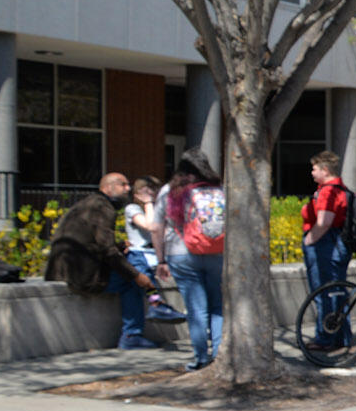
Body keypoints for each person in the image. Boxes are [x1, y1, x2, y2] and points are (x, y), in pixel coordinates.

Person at [46, 172, 158, 349]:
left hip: (62, 270)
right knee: (132, 282)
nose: (128, 189)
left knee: (131, 267)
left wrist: (120, 245)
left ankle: (151, 308)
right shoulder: (104, 208)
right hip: (81, 276)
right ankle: (132, 335)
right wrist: (136, 276)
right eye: (123, 185)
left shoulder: (87, 203)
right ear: (108, 187)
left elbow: (93, 241)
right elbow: (108, 251)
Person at [157, 152, 226, 371]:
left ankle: (200, 359)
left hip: (181, 253)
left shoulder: (170, 191)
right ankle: (218, 354)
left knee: (196, 309)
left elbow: (156, 227)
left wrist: (161, 260)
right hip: (216, 252)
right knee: (217, 306)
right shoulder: (219, 189)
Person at [301, 151, 352, 349]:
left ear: (325, 170)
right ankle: (341, 336)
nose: (312, 173)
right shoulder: (341, 188)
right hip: (338, 244)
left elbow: (323, 222)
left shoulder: (328, 192)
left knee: (323, 292)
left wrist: (308, 241)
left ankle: (325, 337)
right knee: (336, 291)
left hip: (324, 245)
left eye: (314, 169)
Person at [123, 177, 185, 323]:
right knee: (144, 276)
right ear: (138, 192)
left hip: (155, 253)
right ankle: (156, 304)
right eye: (150, 189)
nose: (154, 193)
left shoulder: (158, 209)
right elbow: (150, 226)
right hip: (139, 253)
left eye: (156, 189)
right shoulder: (132, 209)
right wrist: (148, 203)